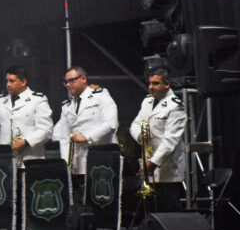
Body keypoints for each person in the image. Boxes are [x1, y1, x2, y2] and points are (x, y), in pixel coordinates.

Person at [129, 68, 187, 211]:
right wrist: (139, 135)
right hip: (147, 163)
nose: (151, 87)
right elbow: (135, 124)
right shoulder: (147, 102)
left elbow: (170, 140)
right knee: (150, 212)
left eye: (155, 83)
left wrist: (154, 162)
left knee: (169, 210)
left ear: (167, 85)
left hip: (167, 168)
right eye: (150, 83)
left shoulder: (176, 106)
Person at [53, 66, 118, 184]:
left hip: (101, 159)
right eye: (66, 82)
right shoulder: (67, 106)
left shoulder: (100, 95)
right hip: (78, 164)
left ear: (83, 79)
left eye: (72, 80)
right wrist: (66, 162)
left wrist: (87, 137)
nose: (68, 85)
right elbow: (64, 138)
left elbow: (110, 124)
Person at [0, 65, 54, 166]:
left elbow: (46, 130)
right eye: (7, 81)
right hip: (6, 162)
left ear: (23, 82)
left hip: (30, 158)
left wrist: (26, 142)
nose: (8, 85)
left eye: (12, 81)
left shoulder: (37, 100)